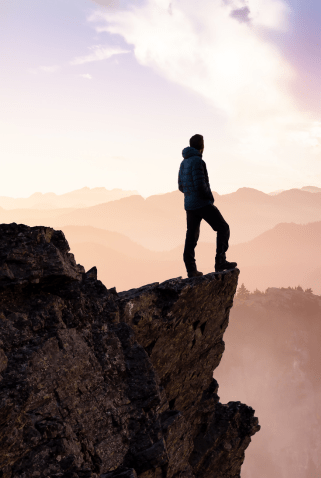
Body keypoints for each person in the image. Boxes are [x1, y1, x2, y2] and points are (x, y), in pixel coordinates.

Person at [178, 134, 237, 278]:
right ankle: (220, 261)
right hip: (202, 203)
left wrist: (189, 195)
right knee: (223, 227)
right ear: (201, 146)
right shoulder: (198, 161)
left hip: (189, 205)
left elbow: (181, 186)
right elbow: (200, 185)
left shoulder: (183, 162)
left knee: (191, 235)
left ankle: (191, 269)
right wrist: (209, 197)